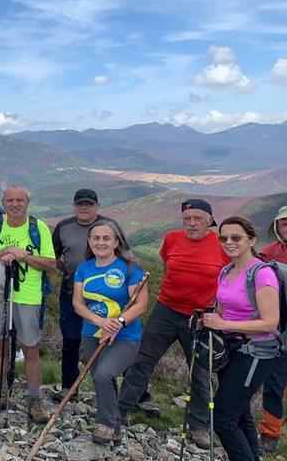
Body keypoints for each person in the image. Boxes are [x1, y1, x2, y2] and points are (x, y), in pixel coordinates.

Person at [118, 199, 230, 447]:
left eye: (197, 218)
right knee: (142, 360)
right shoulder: (172, 239)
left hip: (201, 317)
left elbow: (231, 278)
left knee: (200, 371)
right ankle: (120, 411)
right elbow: (168, 265)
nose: (191, 223)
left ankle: (199, 426)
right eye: (187, 218)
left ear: (210, 220)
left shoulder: (222, 245)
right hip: (166, 310)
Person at [203, 216, 281, 461]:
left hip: (256, 352)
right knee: (240, 415)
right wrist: (208, 319)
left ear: (251, 240)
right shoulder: (227, 270)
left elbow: (270, 322)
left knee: (223, 420)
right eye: (223, 237)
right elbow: (225, 309)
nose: (228, 242)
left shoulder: (262, 274)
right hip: (232, 349)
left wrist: (224, 324)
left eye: (236, 237)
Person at [0, 185, 56, 423]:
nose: (14, 204)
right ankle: (0, 392)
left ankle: (34, 399)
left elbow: (51, 264)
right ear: (4, 202)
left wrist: (26, 256)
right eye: (10, 200)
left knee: (30, 349)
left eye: (19, 200)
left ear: (27, 202)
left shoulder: (38, 228)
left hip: (28, 296)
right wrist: (5, 251)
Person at [73, 219, 148, 445]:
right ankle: (115, 428)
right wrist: (101, 322)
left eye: (107, 238)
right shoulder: (83, 268)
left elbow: (141, 304)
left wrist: (118, 323)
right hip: (92, 334)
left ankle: (105, 424)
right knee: (102, 380)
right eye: (96, 238)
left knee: (103, 374)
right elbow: (78, 304)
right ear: (89, 241)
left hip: (124, 336)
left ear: (116, 242)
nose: (101, 242)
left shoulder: (130, 268)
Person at [52, 189, 125, 398]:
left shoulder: (109, 227)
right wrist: (68, 272)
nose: (84, 208)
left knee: (116, 340)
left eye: (89, 204)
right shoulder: (63, 227)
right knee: (71, 340)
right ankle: (69, 387)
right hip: (71, 292)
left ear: (97, 206)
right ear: (74, 206)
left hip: (108, 296)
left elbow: (124, 255)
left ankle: (130, 393)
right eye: (80, 204)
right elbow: (53, 255)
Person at [257, 206, 287, 453]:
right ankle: (270, 433)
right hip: (279, 329)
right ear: (277, 227)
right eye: (284, 223)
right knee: (274, 384)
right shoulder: (269, 253)